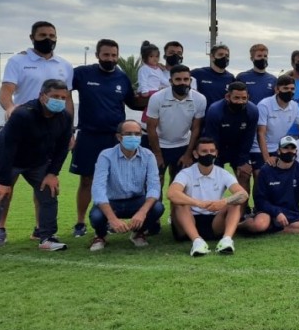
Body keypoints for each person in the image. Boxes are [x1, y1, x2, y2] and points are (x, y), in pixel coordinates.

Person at [0, 21, 74, 244]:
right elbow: (6, 92)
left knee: (44, 183)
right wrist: (10, 108)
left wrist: (69, 131)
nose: (48, 38)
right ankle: (0, 228)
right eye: (42, 35)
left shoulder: (64, 65)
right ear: (32, 37)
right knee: (6, 182)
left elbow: (67, 100)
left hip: (49, 134)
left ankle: (41, 230)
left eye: (52, 35)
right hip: (21, 130)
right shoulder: (18, 61)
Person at [0, 79, 73, 259]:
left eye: (63, 97)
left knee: (49, 191)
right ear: (42, 96)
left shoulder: (65, 117)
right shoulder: (23, 114)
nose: (60, 100)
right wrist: (3, 181)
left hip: (37, 162)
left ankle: (47, 238)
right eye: (55, 96)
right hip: (7, 159)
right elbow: (7, 148)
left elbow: (63, 147)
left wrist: (52, 173)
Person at [70, 39, 141, 237]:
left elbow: (134, 103)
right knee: (86, 180)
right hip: (89, 135)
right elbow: (62, 90)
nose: (110, 59)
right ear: (97, 55)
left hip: (114, 138)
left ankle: (110, 220)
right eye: (106, 55)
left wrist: (159, 97)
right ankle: (80, 222)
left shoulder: (122, 77)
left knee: (112, 181)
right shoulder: (82, 73)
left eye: (113, 55)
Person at [88, 120, 164, 251]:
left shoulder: (148, 155)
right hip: (112, 201)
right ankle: (100, 236)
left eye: (137, 134)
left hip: (136, 201)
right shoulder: (106, 155)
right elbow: (98, 189)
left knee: (157, 208)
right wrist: (112, 219)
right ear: (119, 137)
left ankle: (138, 233)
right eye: (129, 134)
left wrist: (142, 212)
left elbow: (154, 187)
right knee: (96, 216)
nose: (133, 137)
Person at [167, 137, 249, 256]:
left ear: (216, 153)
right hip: (189, 220)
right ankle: (197, 242)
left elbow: (243, 194)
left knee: (235, 202)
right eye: (204, 151)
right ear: (195, 154)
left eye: (212, 151)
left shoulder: (223, 173)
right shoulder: (185, 173)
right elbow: (171, 193)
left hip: (214, 222)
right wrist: (198, 203)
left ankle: (226, 241)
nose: (208, 154)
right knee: (179, 203)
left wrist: (224, 202)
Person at [146, 64, 208, 193]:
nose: (182, 83)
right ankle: (154, 212)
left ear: (190, 81)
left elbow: (196, 128)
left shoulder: (199, 99)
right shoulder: (157, 98)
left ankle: (174, 214)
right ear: (170, 81)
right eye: (178, 79)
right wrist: (157, 154)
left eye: (186, 79)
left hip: (182, 145)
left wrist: (188, 154)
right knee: (156, 183)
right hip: (160, 145)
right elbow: (151, 128)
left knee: (179, 185)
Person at [202, 81, 259, 195]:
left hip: (237, 148)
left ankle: (243, 209)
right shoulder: (215, 111)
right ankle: (214, 208)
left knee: (244, 174)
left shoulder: (252, 110)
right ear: (227, 97)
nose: (240, 101)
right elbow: (211, 139)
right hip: (218, 147)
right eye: (236, 98)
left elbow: (249, 137)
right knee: (214, 178)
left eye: (244, 98)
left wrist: (243, 160)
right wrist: (214, 162)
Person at [256, 75, 299, 168]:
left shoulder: (294, 106)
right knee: (260, 174)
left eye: (292, 89)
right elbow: (261, 133)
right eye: (285, 88)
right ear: (277, 90)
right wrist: (267, 159)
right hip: (257, 148)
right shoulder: (264, 105)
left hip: (277, 147)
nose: (289, 91)